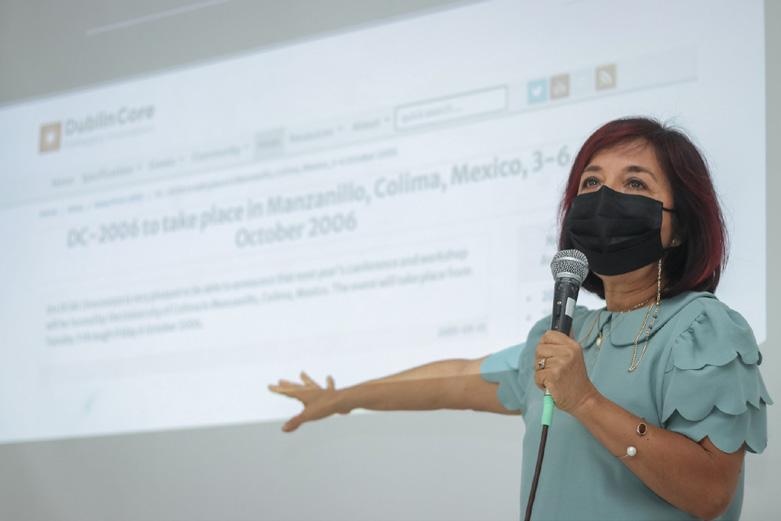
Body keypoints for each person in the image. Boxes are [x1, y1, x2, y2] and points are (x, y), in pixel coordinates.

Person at [268, 117, 771, 520]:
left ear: (678, 227)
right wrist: (343, 398)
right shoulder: (568, 334)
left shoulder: (701, 329)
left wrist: (587, 401)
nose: (603, 198)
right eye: (591, 182)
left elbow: (711, 493)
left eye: (634, 182)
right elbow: (453, 380)